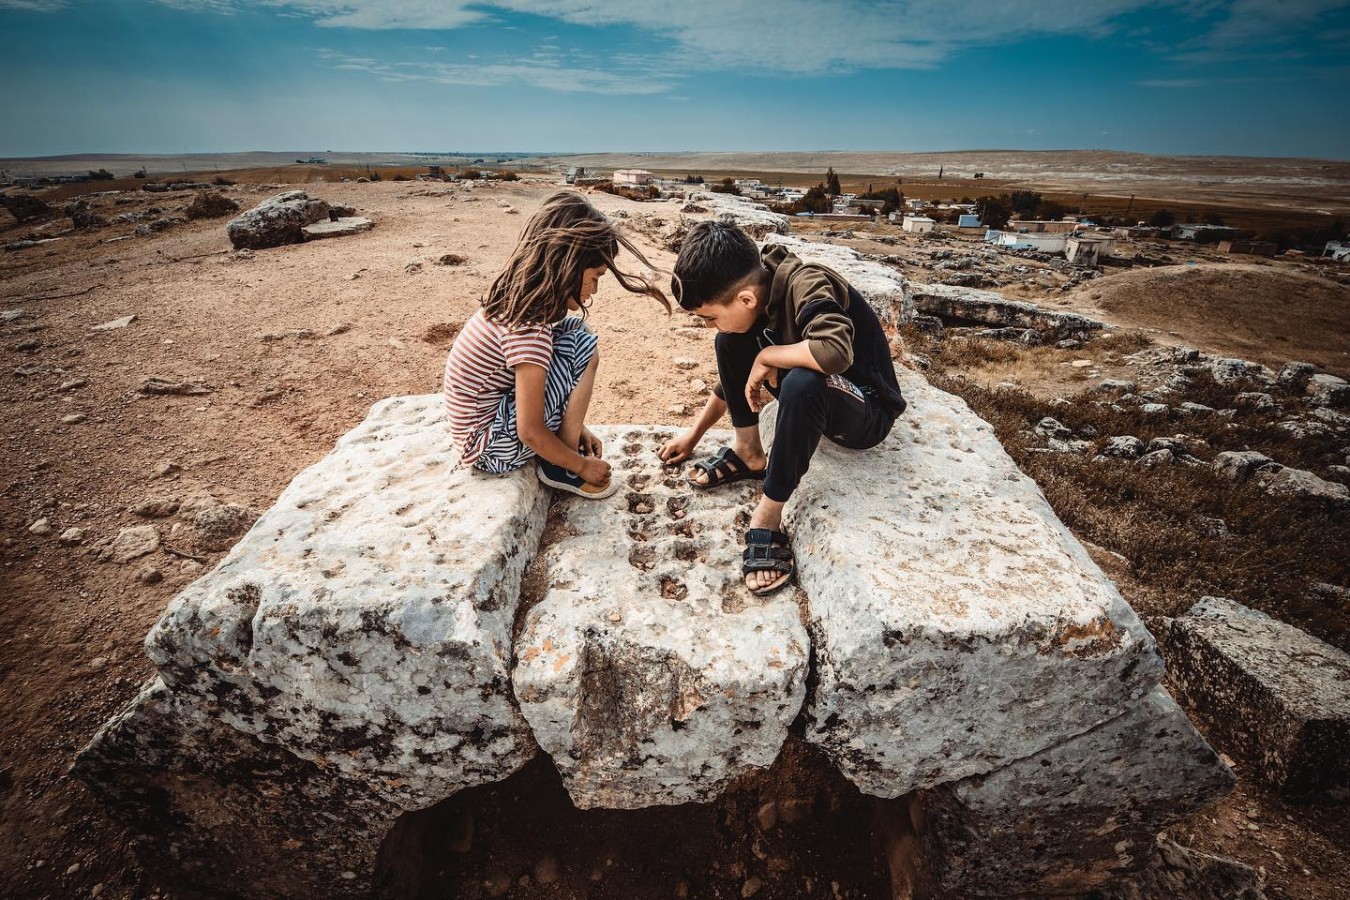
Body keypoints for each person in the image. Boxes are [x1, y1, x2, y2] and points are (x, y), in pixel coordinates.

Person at [658, 222, 906, 594]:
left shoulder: (807, 282)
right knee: (730, 343)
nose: (709, 325)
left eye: (709, 316)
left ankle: (769, 515)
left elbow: (834, 352)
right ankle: (749, 452)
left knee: (803, 382)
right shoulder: (759, 291)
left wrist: (770, 354)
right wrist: (694, 434)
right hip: (819, 398)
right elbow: (733, 376)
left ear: (745, 299)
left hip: (865, 409)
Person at [444, 190, 668, 498]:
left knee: (573, 332)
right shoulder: (529, 331)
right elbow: (530, 431)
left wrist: (576, 426)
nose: (595, 290)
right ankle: (557, 467)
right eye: (595, 277)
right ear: (567, 265)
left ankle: (564, 441)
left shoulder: (518, 305)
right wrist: (579, 464)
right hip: (493, 447)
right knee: (584, 345)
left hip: (482, 430)